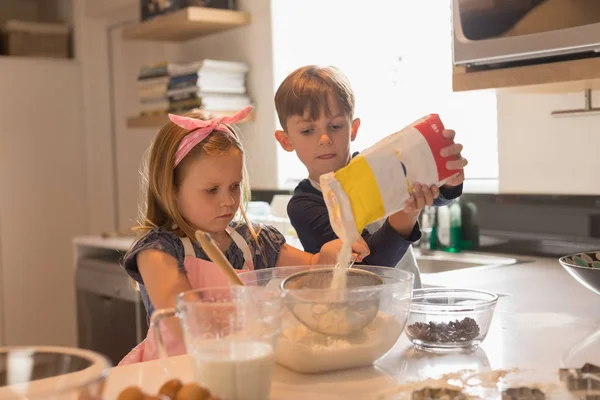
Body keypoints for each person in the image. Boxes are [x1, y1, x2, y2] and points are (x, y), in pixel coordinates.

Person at [119, 106, 369, 364]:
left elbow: (310, 273)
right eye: (211, 189)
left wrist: (329, 256)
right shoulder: (159, 252)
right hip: (176, 378)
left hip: (241, 369)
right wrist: (261, 313)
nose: (228, 200)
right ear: (171, 189)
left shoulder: (254, 241)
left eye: (234, 186)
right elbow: (186, 320)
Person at [274, 65, 467, 288]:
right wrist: (407, 214)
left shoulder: (375, 168)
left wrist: (447, 182)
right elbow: (368, 268)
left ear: (353, 128)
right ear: (286, 140)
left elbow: (430, 195)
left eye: (335, 126)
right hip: (350, 315)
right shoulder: (304, 206)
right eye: (308, 130)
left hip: (406, 304)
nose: (325, 138)